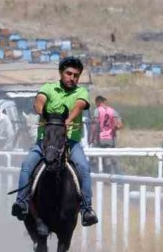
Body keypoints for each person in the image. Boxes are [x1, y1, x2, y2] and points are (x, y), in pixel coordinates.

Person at [11, 57, 99, 227]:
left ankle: (86, 209)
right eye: (69, 73)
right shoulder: (48, 88)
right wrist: (44, 114)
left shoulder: (81, 92)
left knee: (83, 168)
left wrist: (68, 120)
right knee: (27, 165)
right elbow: (39, 102)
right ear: (61, 73)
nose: (72, 78)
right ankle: (21, 202)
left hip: (70, 142)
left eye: (76, 75)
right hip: (45, 141)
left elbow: (79, 106)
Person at [92, 95, 123, 174]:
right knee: (111, 158)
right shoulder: (113, 111)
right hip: (110, 139)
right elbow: (119, 125)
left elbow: (95, 125)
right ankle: (118, 176)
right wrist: (113, 129)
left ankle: (101, 177)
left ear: (98, 102)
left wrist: (91, 137)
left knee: (95, 158)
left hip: (100, 139)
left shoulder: (97, 110)